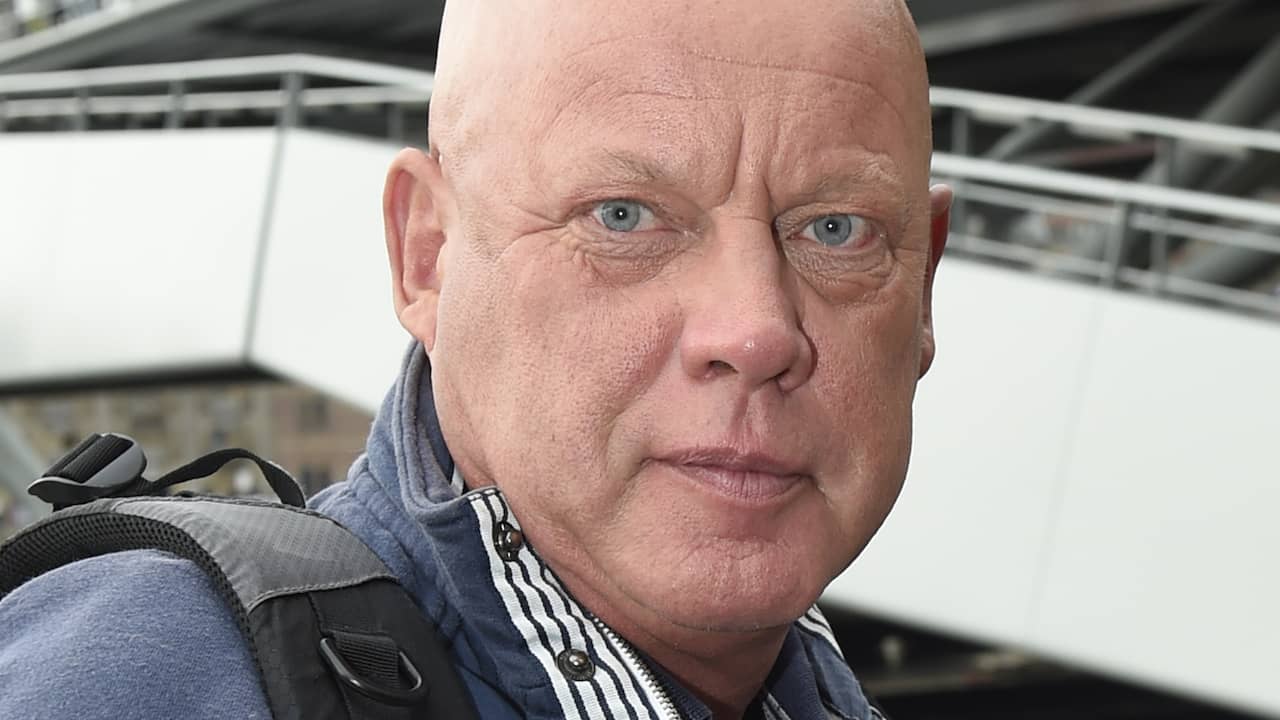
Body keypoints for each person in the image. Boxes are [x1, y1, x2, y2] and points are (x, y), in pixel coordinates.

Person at [0, 0, 951, 718]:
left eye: (839, 229)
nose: (755, 332)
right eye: (622, 217)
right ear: (427, 255)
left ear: (924, 292)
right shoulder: (140, 678)